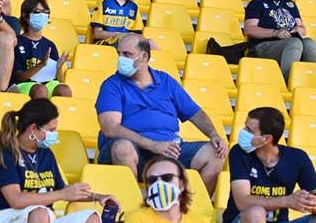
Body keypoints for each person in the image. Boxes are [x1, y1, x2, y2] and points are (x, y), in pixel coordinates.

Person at [96, 34, 228, 194]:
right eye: (119, 54)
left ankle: (191, 211)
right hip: (133, 149)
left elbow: (195, 112)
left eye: (127, 54)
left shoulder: (166, 81)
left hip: (168, 149)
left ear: (144, 57)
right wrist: (152, 144)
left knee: (215, 154)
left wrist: (213, 134)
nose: (121, 59)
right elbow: (110, 128)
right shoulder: (111, 85)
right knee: (122, 147)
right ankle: (131, 207)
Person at [0, 98, 115, 223]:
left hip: (45, 220)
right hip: (8, 220)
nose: (55, 134)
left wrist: (99, 197)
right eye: (51, 130)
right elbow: (16, 200)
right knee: (40, 214)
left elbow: (65, 191)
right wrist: (61, 194)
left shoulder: (46, 154)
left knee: (91, 219)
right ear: (33, 129)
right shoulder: (5, 153)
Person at [218, 106, 316, 223]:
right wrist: (287, 201)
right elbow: (242, 201)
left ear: (266, 139)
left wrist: (312, 204)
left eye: (249, 130)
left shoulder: (298, 158)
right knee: (256, 213)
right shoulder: (239, 153)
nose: (243, 133)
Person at [118, 155, 216, 223]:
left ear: (181, 184)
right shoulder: (137, 222)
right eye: (152, 180)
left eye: (167, 178)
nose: (159, 184)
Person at [244, 0, 316, 76]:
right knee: (294, 43)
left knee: (309, 43)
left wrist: (298, 30)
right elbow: (249, 30)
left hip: (289, 42)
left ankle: (311, 79)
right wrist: (275, 33)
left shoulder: (290, 5)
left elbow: (302, 28)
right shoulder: (256, 4)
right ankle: (287, 81)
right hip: (262, 46)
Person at [10, 0, 71, 99]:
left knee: (64, 90)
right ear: (25, 15)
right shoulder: (16, 42)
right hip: (23, 84)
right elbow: (19, 77)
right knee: (40, 90)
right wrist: (42, 64)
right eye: (37, 12)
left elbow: (59, 80)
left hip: (47, 84)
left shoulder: (50, 44)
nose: (42, 16)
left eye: (45, 12)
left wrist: (59, 67)